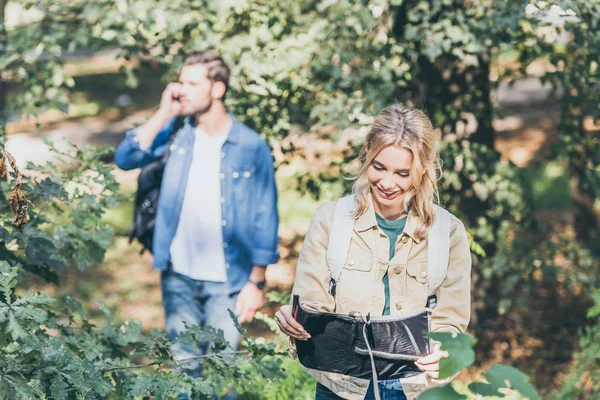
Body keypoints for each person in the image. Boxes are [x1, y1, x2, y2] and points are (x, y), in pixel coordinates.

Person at [275, 104, 472, 400]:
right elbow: (312, 303)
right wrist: (297, 321)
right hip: (342, 387)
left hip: (416, 389)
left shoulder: (448, 233)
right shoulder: (331, 221)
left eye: (402, 173)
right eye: (379, 167)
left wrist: (444, 351)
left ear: (422, 170)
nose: (388, 183)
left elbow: (451, 320)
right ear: (367, 151)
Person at [114, 50, 279, 380]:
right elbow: (125, 157)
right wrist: (163, 114)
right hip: (178, 276)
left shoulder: (251, 145)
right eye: (180, 81)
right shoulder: (176, 134)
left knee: (221, 375)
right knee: (183, 375)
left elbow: (266, 215)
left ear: (217, 88)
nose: (181, 89)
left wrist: (256, 282)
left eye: (192, 83)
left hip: (228, 282)